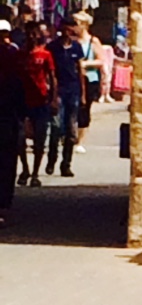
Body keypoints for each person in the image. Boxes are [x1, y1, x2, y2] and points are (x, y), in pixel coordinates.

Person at [16, 22, 58, 188]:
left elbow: (52, 77)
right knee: (19, 138)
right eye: (29, 34)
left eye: (35, 34)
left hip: (41, 101)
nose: (32, 37)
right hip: (21, 100)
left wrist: (54, 99)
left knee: (40, 138)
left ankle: (35, 173)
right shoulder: (20, 55)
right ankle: (25, 168)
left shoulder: (45, 55)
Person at [46, 18, 85, 178]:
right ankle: (52, 159)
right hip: (58, 91)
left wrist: (83, 94)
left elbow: (80, 71)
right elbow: (51, 73)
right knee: (56, 128)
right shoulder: (53, 47)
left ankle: (66, 164)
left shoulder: (77, 47)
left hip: (73, 91)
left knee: (71, 130)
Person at [0, 41, 25, 227]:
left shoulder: (12, 58)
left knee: (6, 162)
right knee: (6, 163)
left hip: (8, 120)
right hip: (9, 120)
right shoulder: (11, 58)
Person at [73, 11, 104, 154]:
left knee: (84, 108)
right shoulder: (72, 42)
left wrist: (85, 64)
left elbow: (101, 60)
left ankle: (80, 139)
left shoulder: (93, 41)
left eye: (76, 23)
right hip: (73, 78)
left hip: (89, 78)